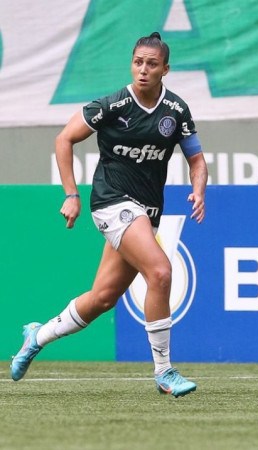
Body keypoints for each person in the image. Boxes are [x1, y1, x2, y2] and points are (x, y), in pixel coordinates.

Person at [10, 32, 208, 398]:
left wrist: (199, 188)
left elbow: (196, 159)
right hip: (112, 202)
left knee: (102, 298)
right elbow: (63, 139)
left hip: (146, 213)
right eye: (138, 62)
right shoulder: (113, 105)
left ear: (166, 69)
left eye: (152, 64)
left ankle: (36, 336)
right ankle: (164, 372)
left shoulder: (176, 111)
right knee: (161, 271)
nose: (143, 70)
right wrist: (71, 194)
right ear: (131, 64)